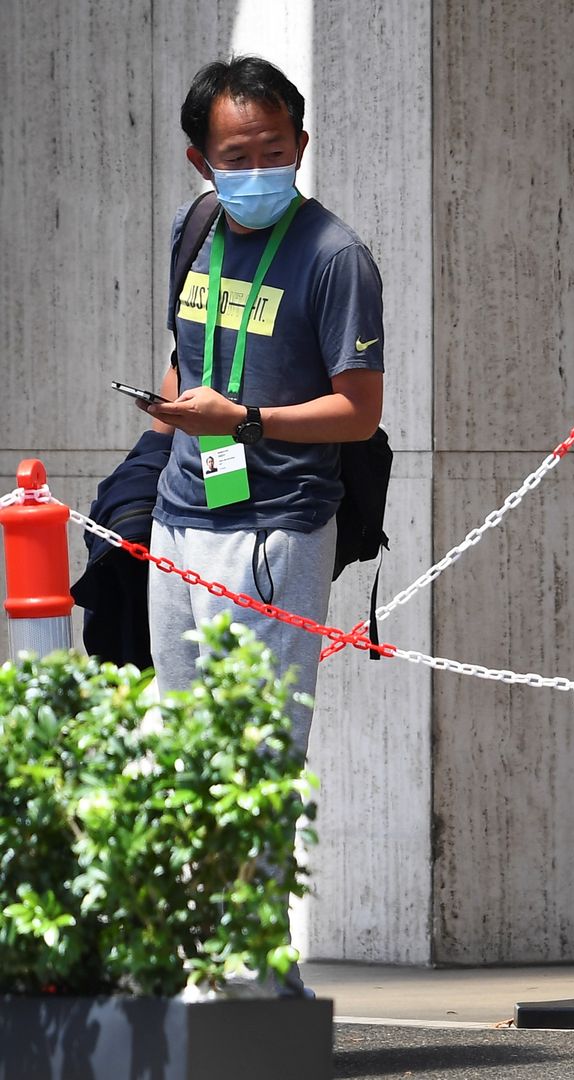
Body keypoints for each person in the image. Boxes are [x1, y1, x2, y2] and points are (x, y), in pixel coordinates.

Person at [137, 56, 385, 994]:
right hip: (180, 516)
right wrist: (168, 416)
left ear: (302, 146)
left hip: (274, 531)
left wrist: (241, 421)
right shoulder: (194, 228)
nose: (257, 169)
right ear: (200, 159)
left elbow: (358, 413)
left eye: (274, 151)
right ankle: (211, 961)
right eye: (236, 154)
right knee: (185, 745)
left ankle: (256, 975)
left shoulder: (335, 257)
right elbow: (184, 355)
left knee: (258, 751)